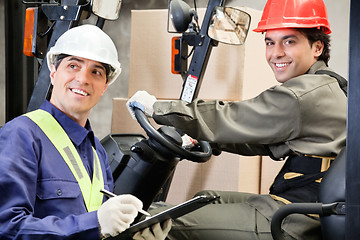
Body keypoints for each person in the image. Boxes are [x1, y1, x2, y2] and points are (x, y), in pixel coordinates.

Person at [126, 0, 347, 239]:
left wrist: (157, 108)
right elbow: (263, 140)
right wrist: (204, 138)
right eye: (270, 42)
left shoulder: (302, 94)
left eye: (289, 41)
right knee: (204, 197)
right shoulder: (329, 86)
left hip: (294, 218)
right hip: (308, 208)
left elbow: (230, 117)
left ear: (317, 47)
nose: (276, 53)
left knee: (154, 218)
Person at [0, 24, 171, 240]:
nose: (83, 78)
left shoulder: (97, 152)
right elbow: (7, 227)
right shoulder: (21, 135)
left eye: (96, 72)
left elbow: (99, 232)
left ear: (104, 86)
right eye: (73, 66)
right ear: (53, 72)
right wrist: (95, 223)